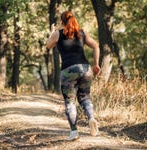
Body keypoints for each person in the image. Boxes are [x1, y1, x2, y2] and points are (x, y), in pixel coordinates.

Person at [46, 11, 101, 141]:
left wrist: (52, 31)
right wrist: (96, 64)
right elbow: (96, 46)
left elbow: (48, 45)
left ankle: (74, 131)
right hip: (85, 68)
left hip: (68, 70)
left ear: (62, 22)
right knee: (85, 98)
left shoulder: (57, 34)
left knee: (70, 102)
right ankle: (91, 118)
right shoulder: (81, 33)